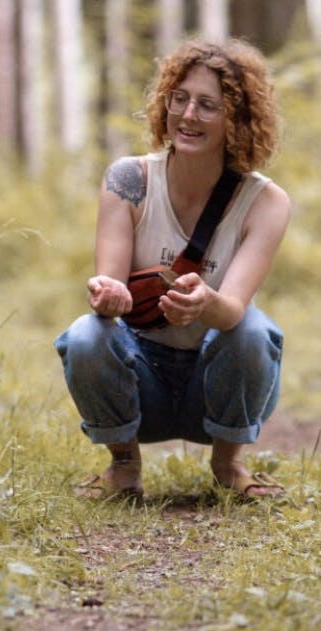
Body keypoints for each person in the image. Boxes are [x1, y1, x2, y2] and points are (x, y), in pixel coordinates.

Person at [55, 38, 291, 501]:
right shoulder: (128, 179)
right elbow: (110, 288)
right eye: (179, 99)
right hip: (141, 379)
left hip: (217, 382)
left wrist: (205, 302)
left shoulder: (266, 202)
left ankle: (228, 464)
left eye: (208, 105)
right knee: (85, 335)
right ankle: (124, 466)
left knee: (253, 330)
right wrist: (109, 296)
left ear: (237, 119)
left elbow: (232, 311)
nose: (188, 115)